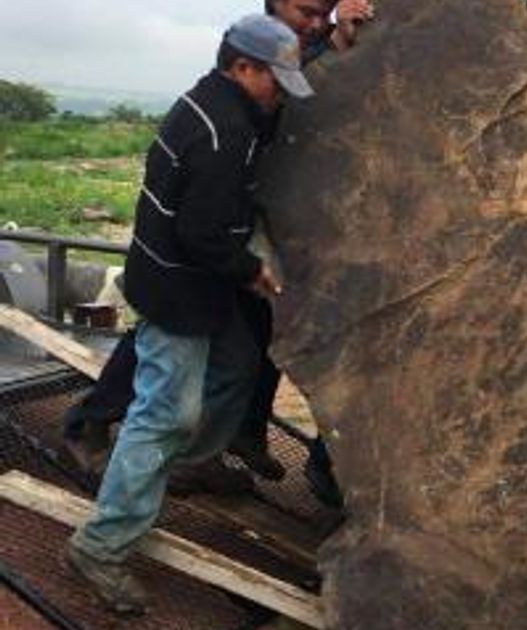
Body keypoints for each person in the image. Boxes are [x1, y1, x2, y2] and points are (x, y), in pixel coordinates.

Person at [62, 0, 375, 495]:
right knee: (170, 373)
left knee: (245, 344)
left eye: (325, 13)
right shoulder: (229, 117)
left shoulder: (242, 84)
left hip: (231, 231)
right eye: (307, 11)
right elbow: (202, 226)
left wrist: (336, 41)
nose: (316, 23)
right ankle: (111, 461)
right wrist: (246, 266)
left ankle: (225, 439)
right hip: (200, 255)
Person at [66, 15, 314, 615]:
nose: (279, 95)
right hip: (180, 289)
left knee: (238, 364)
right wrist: (253, 271)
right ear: (242, 67)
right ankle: (102, 545)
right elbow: (202, 236)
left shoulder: (210, 101)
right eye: (275, 81)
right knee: (163, 416)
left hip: (176, 277)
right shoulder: (223, 134)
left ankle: (195, 463)